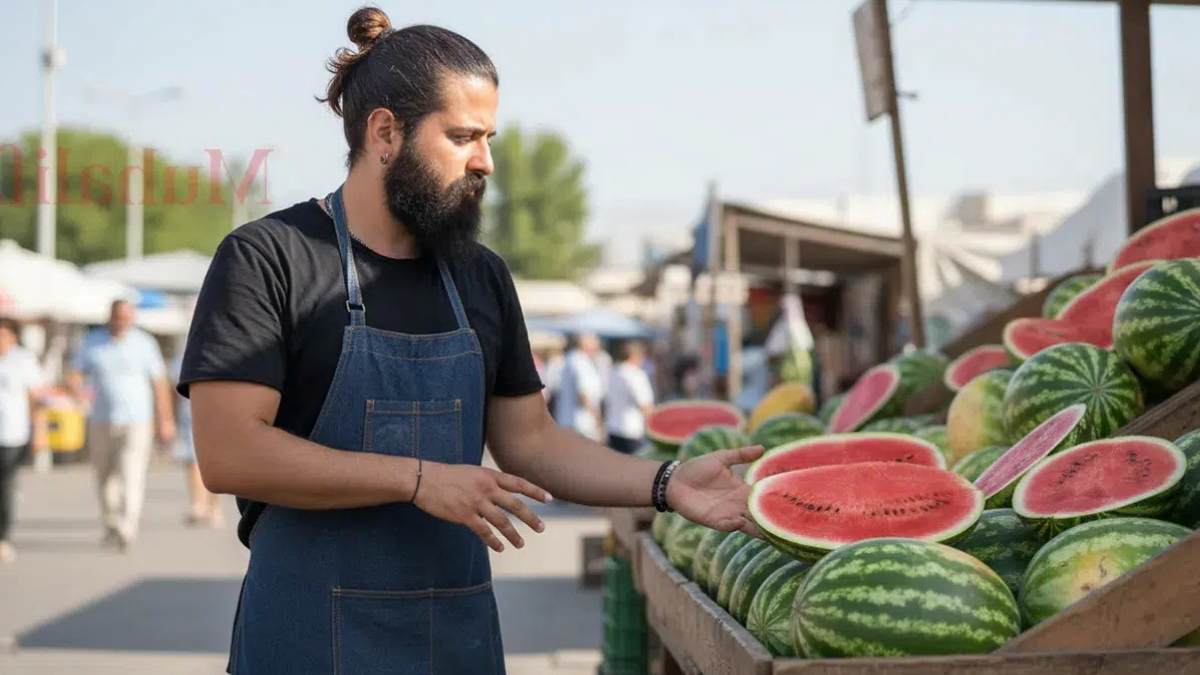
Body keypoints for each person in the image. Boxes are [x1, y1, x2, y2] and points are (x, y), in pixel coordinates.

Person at [178, 10, 761, 674]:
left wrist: (667, 481)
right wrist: (417, 478)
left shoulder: (479, 276)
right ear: (385, 132)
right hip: (304, 635)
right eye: (461, 137)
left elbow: (531, 441)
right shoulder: (268, 258)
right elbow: (228, 452)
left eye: (488, 137)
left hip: (453, 639)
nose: (485, 160)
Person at [68, 299, 176, 551]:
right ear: (110, 317)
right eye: (118, 316)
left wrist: (165, 420)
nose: (122, 321)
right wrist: (77, 389)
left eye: (127, 316)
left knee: (132, 473)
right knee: (105, 477)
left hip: (137, 420)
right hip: (101, 420)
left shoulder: (144, 343)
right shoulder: (93, 341)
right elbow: (76, 373)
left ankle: (128, 528)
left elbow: (159, 384)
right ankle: (111, 523)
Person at [0, 317, 46, 563]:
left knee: (5, 486)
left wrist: (39, 430)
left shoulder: (23, 360)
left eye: (3, 335)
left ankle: (3, 537)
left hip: (11, 434)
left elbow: (36, 398)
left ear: (13, 337)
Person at [169, 353, 223, 528]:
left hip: (216, 417)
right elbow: (172, 390)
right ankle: (198, 504)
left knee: (214, 463)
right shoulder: (181, 359)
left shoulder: (222, 355)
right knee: (191, 461)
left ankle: (214, 507)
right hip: (189, 418)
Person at [606, 340, 655, 454]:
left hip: (613, 429)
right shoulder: (637, 374)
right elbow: (645, 405)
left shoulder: (613, 371)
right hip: (632, 431)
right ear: (635, 356)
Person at [554, 332, 604, 440]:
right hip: (582, 425)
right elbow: (583, 395)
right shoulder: (582, 362)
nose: (598, 349)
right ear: (587, 346)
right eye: (597, 345)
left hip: (568, 422)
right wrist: (598, 419)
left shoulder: (570, 358)